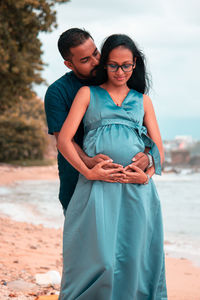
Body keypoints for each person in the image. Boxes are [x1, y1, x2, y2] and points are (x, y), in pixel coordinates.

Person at [57, 34, 168, 299]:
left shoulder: (143, 101)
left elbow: (157, 149)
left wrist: (147, 175)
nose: (120, 71)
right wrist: (88, 171)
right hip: (97, 188)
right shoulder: (87, 94)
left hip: (136, 191)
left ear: (135, 64)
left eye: (126, 65)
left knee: (134, 258)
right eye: (114, 65)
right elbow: (64, 139)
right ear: (104, 64)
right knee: (102, 260)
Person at [44, 28, 150, 211]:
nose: (95, 62)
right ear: (69, 64)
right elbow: (62, 139)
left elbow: (142, 130)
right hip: (77, 179)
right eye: (85, 60)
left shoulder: (116, 77)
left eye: (96, 53)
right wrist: (88, 162)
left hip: (125, 185)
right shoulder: (57, 92)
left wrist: (147, 158)